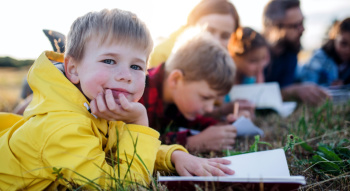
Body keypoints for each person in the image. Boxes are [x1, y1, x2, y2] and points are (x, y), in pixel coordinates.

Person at [0, 9, 235, 190]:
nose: (125, 76)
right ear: (73, 69)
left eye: (136, 66)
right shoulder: (63, 127)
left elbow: (118, 148)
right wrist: (139, 124)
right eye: (109, 61)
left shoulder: (96, 104)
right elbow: (124, 184)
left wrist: (174, 155)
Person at [92, 29, 238, 153]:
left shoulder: (178, 98)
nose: (209, 107)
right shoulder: (136, 93)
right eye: (205, 97)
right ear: (175, 79)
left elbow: (194, 122)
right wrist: (194, 142)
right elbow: (127, 142)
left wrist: (222, 124)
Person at [262, 0, 330, 106]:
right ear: (275, 28)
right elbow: (254, 95)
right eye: (296, 26)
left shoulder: (290, 53)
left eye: (302, 22)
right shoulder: (256, 53)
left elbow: (285, 86)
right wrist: (294, 91)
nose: (303, 29)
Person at [148, 0, 240, 68]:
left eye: (225, 36)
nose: (216, 41)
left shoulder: (228, 63)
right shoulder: (162, 55)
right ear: (192, 23)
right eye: (209, 31)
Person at [300, 17, 350, 86]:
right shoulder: (319, 58)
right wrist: (329, 87)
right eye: (344, 43)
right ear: (334, 38)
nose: (348, 50)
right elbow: (307, 84)